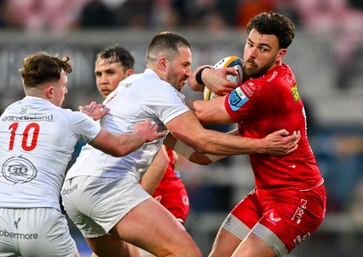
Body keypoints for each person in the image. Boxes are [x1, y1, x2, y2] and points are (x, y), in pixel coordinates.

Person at [61, 31, 300, 257]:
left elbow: (196, 154)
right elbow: (202, 141)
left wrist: (244, 134)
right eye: (185, 65)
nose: (188, 73)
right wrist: (262, 145)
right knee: (186, 253)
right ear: (163, 64)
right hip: (107, 187)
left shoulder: (129, 87)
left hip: (74, 192)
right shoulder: (161, 91)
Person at [0, 51, 165, 257]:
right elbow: (118, 147)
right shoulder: (69, 119)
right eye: (63, 86)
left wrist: (85, 119)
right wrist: (141, 135)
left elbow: (42, 129)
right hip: (41, 220)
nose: (65, 92)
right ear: (50, 92)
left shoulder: (7, 115)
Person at [187, 12, 327, 257]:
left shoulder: (267, 87)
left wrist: (157, 103)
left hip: (298, 198)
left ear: (280, 55)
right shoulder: (254, 70)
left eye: (263, 49)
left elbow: (203, 113)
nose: (251, 54)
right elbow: (194, 83)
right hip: (265, 193)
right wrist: (205, 73)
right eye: (250, 44)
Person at [91, 45, 190, 257]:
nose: (103, 80)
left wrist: (130, 205)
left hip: (161, 198)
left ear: (128, 75)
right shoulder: (112, 110)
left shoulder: (138, 104)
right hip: (138, 201)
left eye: (110, 73)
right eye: (99, 74)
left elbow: (161, 160)